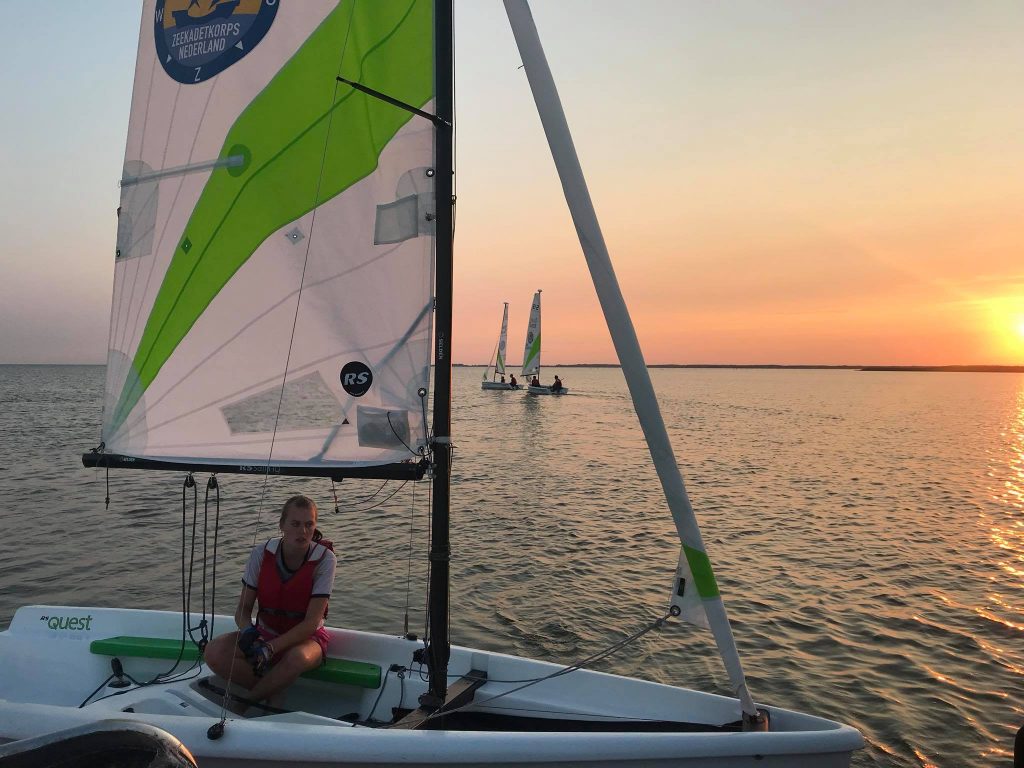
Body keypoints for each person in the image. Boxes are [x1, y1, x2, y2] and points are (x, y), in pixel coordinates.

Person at [204, 494, 336, 712]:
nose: (303, 531)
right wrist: (248, 631)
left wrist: (271, 648)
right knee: (214, 651)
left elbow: (311, 623)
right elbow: (243, 610)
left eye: (309, 524)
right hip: (265, 634)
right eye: (295, 524)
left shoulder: (325, 559)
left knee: (296, 657)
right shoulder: (261, 554)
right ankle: (274, 692)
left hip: (307, 639)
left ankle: (242, 705)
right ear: (282, 525)